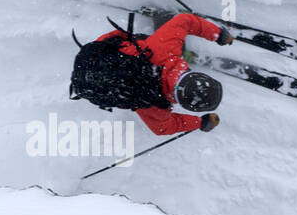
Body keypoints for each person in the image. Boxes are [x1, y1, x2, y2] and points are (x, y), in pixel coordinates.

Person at [72, 12, 234, 135]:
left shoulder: (165, 49)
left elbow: (185, 20)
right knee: (145, 50)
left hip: (101, 50)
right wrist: (200, 123)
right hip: (95, 66)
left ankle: (161, 20)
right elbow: (162, 129)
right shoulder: (152, 105)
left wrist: (218, 34)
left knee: (147, 46)